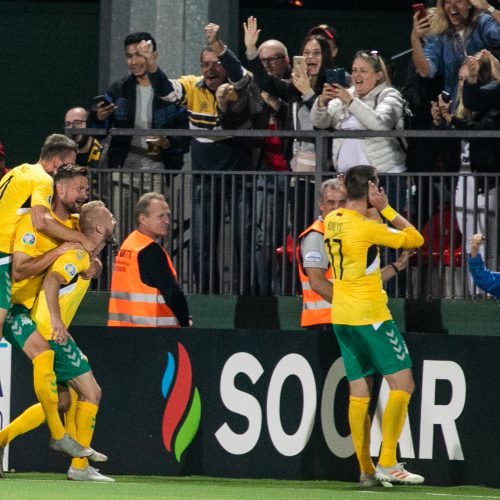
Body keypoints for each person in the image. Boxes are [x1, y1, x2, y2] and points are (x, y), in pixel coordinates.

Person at [0, 165, 106, 473]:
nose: (85, 195)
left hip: (34, 313)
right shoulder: (32, 226)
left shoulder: (72, 224)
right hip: (15, 307)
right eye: (80, 190)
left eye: (87, 190)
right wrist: (61, 249)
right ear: (60, 190)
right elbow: (19, 271)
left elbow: (87, 248)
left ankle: (68, 455)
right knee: (49, 361)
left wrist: (95, 263)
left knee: (64, 399)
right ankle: (65, 445)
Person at [324, 165, 424, 487]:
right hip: (370, 315)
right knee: (403, 383)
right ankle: (389, 461)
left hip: (341, 315)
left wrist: (359, 198)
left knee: (359, 392)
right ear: (370, 189)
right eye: (376, 188)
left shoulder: (332, 220)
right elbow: (415, 238)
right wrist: (386, 208)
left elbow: (354, 218)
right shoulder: (367, 227)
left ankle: (366, 470)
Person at [155, 23, 252, 293]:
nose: (210, 69)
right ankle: (206, 297)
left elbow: (241, 76)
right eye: (205, 64)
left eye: (216, 63)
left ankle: (246, 298)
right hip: (204, 182)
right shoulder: (191, 86)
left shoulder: (240, 88)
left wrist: (220, 45)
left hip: (239, 182)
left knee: (243, 243)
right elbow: (166, 90)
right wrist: (152, 67)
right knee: (201, 245)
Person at [0, 134, 94, 339]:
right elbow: (41, 220)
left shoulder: (19, 171)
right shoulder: (43, 179)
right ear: (57, 162)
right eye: (69, 164)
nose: (70, 170)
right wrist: (80, 238)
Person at [298, 178, 411, 332]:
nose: (336, 207)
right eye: (331, 202)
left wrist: (396, 267)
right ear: (321, 205)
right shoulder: (317, 236)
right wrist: (351, 308)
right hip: (325, 323)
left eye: (342, 202)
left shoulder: (347, 232)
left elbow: (360, 282)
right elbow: (317, 283)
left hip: (344, 319)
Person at [310, 50, 406, 211]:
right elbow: (319, 122)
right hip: (348, 183)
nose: (356, 75)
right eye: (354, 70)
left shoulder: (389, 95)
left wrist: (351, 101)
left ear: (378, 75)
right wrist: (322, 102)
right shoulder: (345, 96)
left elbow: (381, 124)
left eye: (363, 70)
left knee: (382, 232)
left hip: (384, 179)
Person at [91, 31, 189, 173]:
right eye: (129, 56)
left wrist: (167, 142)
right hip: (122, 171)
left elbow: (184, 139)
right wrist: (98, 118)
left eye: (139, 55)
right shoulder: (118, 89)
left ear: (153, 56)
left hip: (160, 172)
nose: (134, 62)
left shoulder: (171, 91)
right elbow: (97, 132)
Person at [108, 192, 191, 327]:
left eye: (168, 216)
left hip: (121, 331)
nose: (167, 221)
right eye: (161, 217)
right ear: (143, 219)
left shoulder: (129, 245)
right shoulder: (150, 250)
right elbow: (172, 292)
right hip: (151, 334)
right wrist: (185, 323)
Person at [411, 0, 500, 103]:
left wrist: (488, 8)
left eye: (458, 1)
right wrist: (415, 38)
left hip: (486, 101)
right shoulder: (439, 34)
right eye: (448, 2)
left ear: (470, 4)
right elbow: (425, 71)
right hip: (456, 104)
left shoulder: (483, 22)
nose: (453, 6)